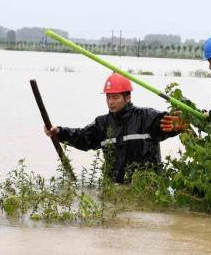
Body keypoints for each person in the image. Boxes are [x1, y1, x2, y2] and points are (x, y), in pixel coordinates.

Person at [45, 73, 182, 183]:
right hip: (114, 189)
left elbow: (170, 123)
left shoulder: (147, 117)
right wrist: (59, 132)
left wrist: (180, 123)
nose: (110, 102)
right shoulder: (102, 123)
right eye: (108, 97)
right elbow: (81, 137)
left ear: (128, 97)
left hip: (146, 187)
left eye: (115, 97)